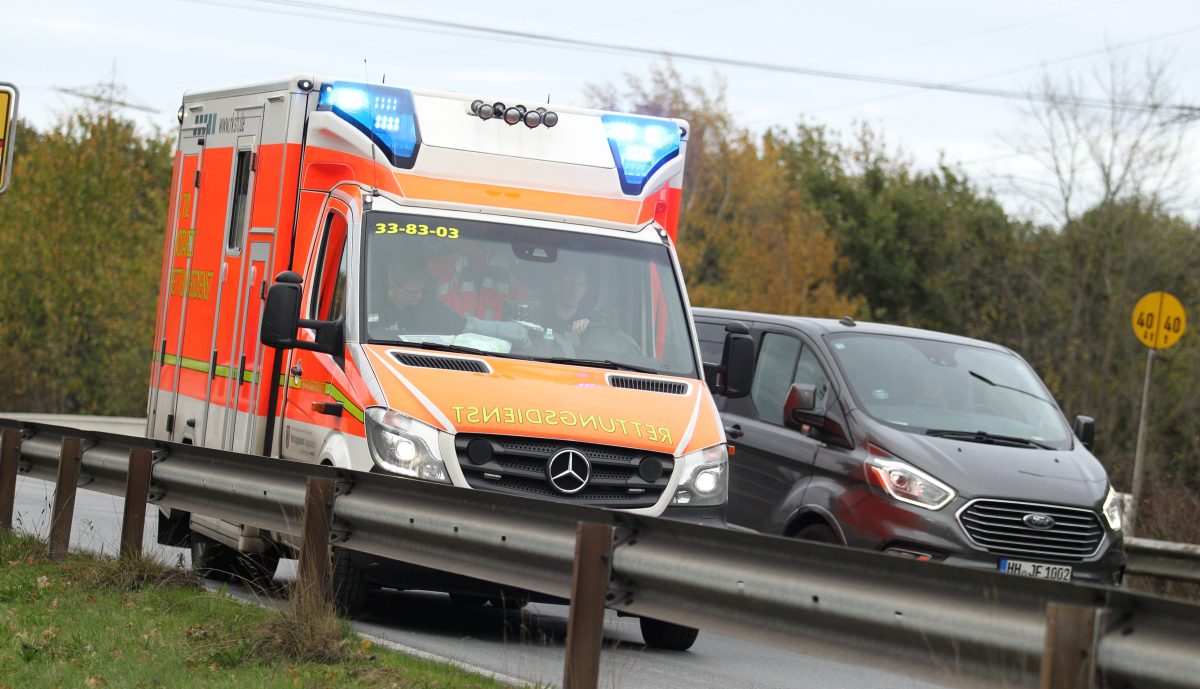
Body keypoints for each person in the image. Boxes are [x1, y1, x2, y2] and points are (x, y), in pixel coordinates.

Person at [379, 263, 465, 336]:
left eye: (420, 290)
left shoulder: (429, 307)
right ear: (394, 287)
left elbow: (460, 326)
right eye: (413, 292)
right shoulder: (372, 310)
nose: (420, 296)